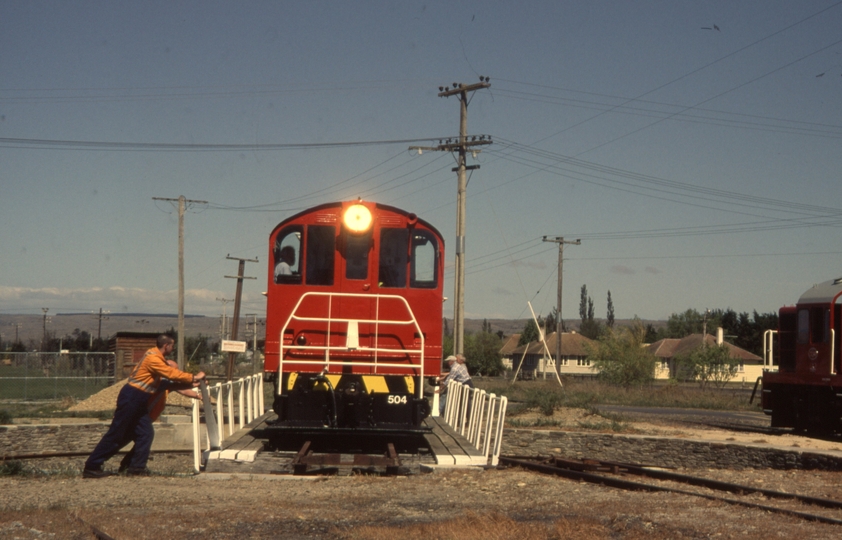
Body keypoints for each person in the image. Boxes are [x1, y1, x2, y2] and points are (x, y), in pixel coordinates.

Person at [83, 335, 206, 478]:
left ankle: (136, 468)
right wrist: (193, 377)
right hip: (132, 397)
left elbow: (168, 384)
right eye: (172, 346)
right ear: (166, 346)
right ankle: (92, 466)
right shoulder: (153, 358)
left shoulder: (157, 359)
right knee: (116, 433)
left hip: (138, 399)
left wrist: (193, 384)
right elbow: (170, 374)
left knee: (145, 433)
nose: (173, 349)